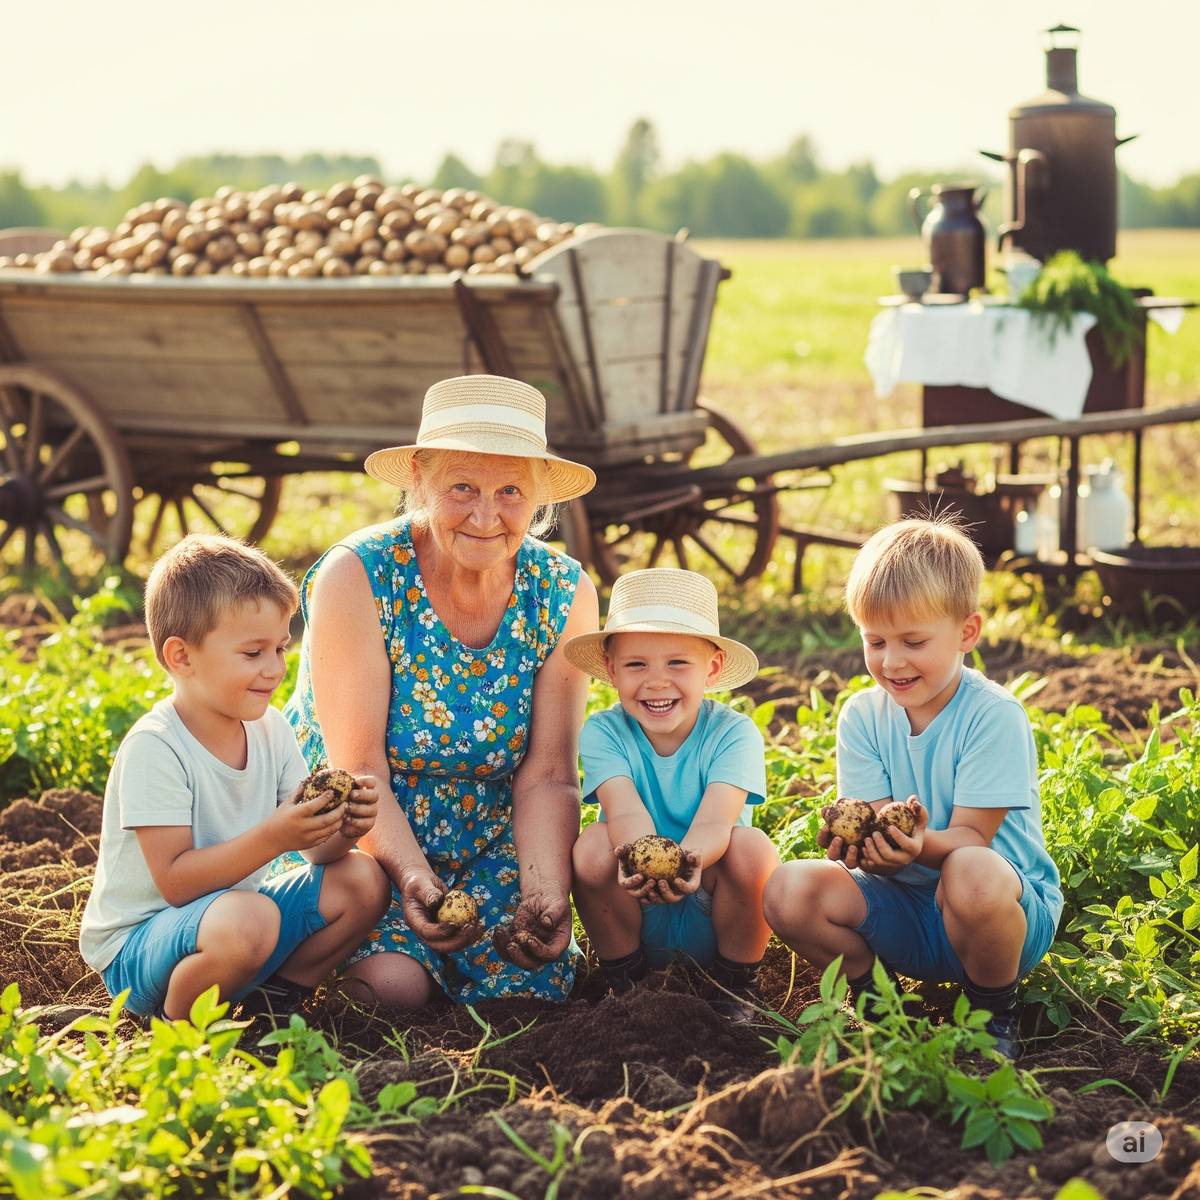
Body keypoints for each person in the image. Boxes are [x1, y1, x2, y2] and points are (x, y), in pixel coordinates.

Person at [272, 374, 600, 1007]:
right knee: (390, 989)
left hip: (493, 836)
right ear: (418, 480)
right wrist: (416, 879)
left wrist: (545, 893)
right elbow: (357, 767)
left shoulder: (562, 590)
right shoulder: (361, 574)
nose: (486, 515)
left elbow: (551, 772)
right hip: (366, 838)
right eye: (462, 488)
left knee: (530, 984)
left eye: (510, 491)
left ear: (537, 496)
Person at [762, 516, 1062, 1058]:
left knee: (969, 870)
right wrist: (870, 850)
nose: (892, 661)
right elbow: (877, 823)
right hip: (905, 906)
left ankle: (992, 1011)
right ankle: (877, 996)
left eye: (914, 641)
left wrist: (918, 845)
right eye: (875, 641)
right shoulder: (862, 716)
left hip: (998, 917)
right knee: (788, 890)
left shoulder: (992, 716)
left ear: (967, 632)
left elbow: (972, 836)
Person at [79, 534, 391, 1021]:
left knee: (363, 880)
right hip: (140, 946)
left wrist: (342, 827)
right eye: (253, 654)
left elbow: (314, 853)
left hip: (235, 922)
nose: (274, 670)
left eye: (282, 649)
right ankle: (178, 1032)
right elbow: (177, 884)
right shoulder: (156, 747)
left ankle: (271, 1003)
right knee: (250, 918)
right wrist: (274, 835)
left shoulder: (271, 729)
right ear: (181, 657)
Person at [565, 568, 778, 1013]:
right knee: (590, 849)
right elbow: (622, 812)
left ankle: (734, 986)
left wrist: (687, 864)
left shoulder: (733, 734)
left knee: (753, 850)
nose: (657, 681)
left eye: (677, 663)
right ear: (611, 669)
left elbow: (718, 820)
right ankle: (629, 981)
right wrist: (645, 866)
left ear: (713, 668)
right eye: (637, 664)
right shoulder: (604, 732)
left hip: (711, 899)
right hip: (634, 900)